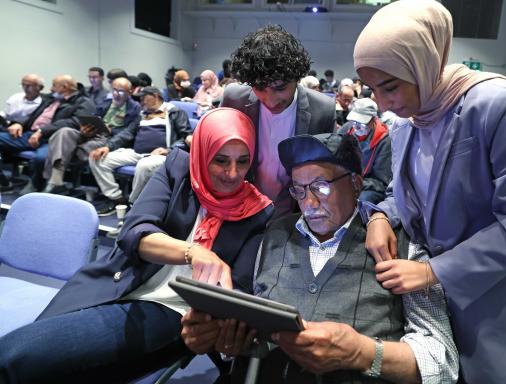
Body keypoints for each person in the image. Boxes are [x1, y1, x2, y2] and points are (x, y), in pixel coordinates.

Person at [0, 107, 274, 383]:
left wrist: (212, 329)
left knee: (16, 357)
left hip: (174, 312)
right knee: (30, 362)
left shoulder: (258, 211)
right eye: (221, 160)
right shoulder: (178, 170)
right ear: (202, 153)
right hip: (122, 284)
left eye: (243, 161)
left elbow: (236, 291)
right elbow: (135, 232)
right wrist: (194, 252)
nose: (232, 173)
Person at [181, 133, 458, 384]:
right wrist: (224, 337)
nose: (309, 203)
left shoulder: (401, 244)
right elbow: (253, 324)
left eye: (321, 187)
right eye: (299, 190)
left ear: (356, 184)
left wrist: (362, 354)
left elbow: (441, 361)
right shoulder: (275, 233)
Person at [352, 1, 506, 382]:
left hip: (491, 299)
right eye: (372, 90)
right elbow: (406, 192)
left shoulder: (494, 106)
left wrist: (433, 271)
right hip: (433, 305)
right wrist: (381, 215)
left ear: (422, 62)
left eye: (389, 86)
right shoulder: (407, 124)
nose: (382, 102)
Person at [222, 24, 335, 215]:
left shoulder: (322, 109)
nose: (270, 100)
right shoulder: (234, 99)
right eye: (259, 88)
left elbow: (326, 171)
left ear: (297, 77)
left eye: (280, 88)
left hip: (294, 212)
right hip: (240, 207)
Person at [89, 86, 192, 215]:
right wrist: (108, 146)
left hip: (161, 155)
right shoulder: (142, 115)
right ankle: (118, 199)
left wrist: (169, 150)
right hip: (136, 153)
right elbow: (127, 133)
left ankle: (134, 205)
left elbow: (186, 137)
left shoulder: (174, 112)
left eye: (144, 98)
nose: (141, 102)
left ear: (155, 96)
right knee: (97, 158)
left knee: (143, 165)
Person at [43, 77, 140, 194]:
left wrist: (111, 131)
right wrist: (85, 128)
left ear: (130, 92)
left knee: (76, 150)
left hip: (110, 139)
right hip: (92, 133)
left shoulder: (136, 109)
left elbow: (129, 133)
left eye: (121, 91)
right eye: (114, 90)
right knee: (64, 132)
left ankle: (56, 179)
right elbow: (94, 118)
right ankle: (56, 181)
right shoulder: (105, 103)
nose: (116, 94)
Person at [0, 75, 96, 194]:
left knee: (40, 159)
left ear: (64, 87)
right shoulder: (50, 98)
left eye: (54, 85)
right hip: (30, 134)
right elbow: (33, 115)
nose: (50, 89)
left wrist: (42, 131)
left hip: (53, 139)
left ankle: (36, 184)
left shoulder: (83, 102)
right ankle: (3, 182)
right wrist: (18, 123)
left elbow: (75, 122)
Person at [338, 98, 391, 204]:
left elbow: (381, 183)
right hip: (347, 179)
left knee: (363, 199)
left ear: (374, 119)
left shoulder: (385, 141)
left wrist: (356, 182)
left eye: (362, 123)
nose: (356, 127)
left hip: (369, 187)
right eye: (354, 121)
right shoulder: (348, 129)